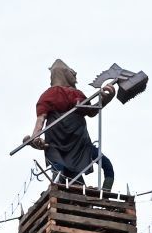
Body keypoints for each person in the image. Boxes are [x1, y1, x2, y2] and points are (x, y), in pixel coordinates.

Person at [26, 58, 114, 191]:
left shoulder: (77, 94)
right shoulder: (49, 95)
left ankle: (106, 192)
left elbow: (91, 112)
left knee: (107, 166)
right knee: (59, 172)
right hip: (57, 143)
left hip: (80, 143)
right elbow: (41, 119)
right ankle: (58, 192)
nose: (75, 76)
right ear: (64, 73)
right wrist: (36, 136)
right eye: (72, 73)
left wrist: (105, 99)